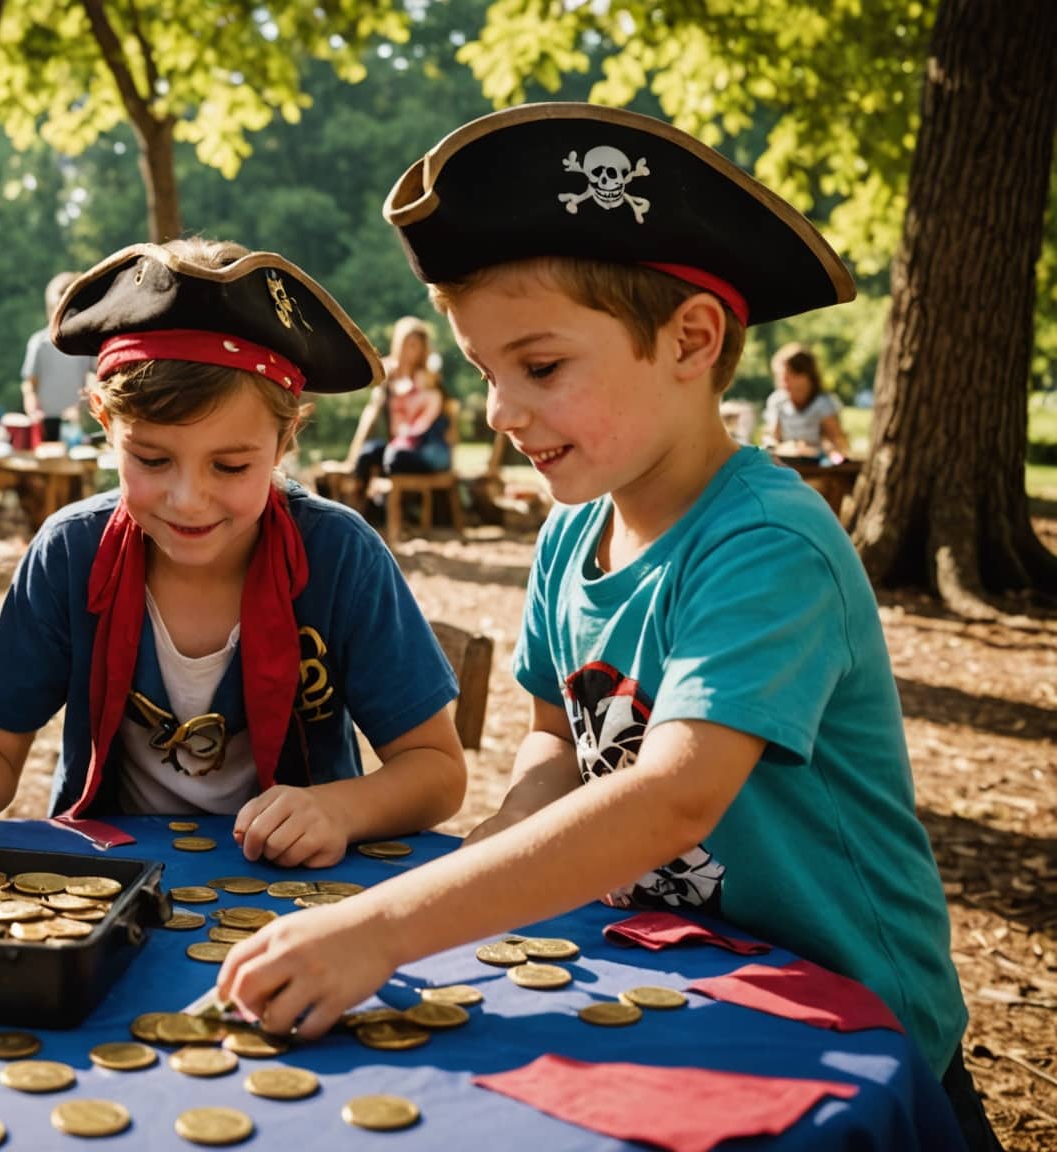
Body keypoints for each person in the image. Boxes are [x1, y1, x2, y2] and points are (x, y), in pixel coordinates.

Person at [218, 104, 996, 1150]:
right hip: (663, 981)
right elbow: (555, 743)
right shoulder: (570, 534)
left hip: (843, 1038)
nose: (498, 410)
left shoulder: (768, 542)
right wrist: (466, 873)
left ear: (692, 339)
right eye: (487, 374)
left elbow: (674, 795)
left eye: (538, 368)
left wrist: (390, 928)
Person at [0, 238, 466, 867]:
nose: (189, 500)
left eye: (230, 465)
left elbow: (436, 770)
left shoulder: (341, 556)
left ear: (284, 439)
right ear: (105, 424)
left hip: (299, 893)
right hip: (108, 882)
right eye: (151, 459)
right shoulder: (69, 555)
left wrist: (341, 808)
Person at [343, 316, 452, 480]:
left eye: (415, 346)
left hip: (427, 448)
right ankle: (357, 498)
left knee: (395, 458)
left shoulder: (429, 379)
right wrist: (352, 456)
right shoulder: (388, 376)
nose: (410, 352)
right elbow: (371, 414)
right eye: (406, 345)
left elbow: (437, 417)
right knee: (367, 453)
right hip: (398, 445)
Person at [20, 271, 95, 444]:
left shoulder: (85, 344)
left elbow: (93, 379)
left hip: (75, 423)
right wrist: (33, 410)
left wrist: (84, 409)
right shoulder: (39, 342)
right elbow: (29, 385)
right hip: (44, 423)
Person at [761, 341, 852, 461]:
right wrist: (783, 448)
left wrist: (817, 452)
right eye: (779, 376)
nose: (783, 381)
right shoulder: (777, 401)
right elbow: (772, 438)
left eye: (788, 375)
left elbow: (838, 444)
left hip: (817, 466)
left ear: (805, 376)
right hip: (786, 463)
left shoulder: (824, 403)